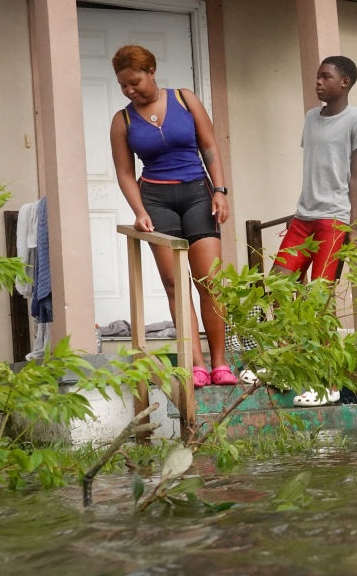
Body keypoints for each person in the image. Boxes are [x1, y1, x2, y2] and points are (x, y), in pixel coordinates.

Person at [109, 45, 238, 387]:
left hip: (198, 194)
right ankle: (195, 365)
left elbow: (209, 146)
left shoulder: (184, 99)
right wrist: (139, 211)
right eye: (123, 86)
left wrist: (220, 191)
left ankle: (220, 363)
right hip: (156, 199)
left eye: (134, 82)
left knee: (209, 282)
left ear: (151, 71)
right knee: (174, 285)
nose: (129, 90)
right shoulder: (122, 121)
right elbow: (124, 172)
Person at [271, 55, 357, 406]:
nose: (317, 82)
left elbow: (356, 176)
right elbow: (315, 167)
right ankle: (285, 364)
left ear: (344, 82)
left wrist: (352, 227)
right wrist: (301, 208)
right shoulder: (311, 118)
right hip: (303, 217)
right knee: (278, 287)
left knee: (318, 302)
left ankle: (327, 384)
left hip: (333, 220)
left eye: (325, 77)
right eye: (316, 76)